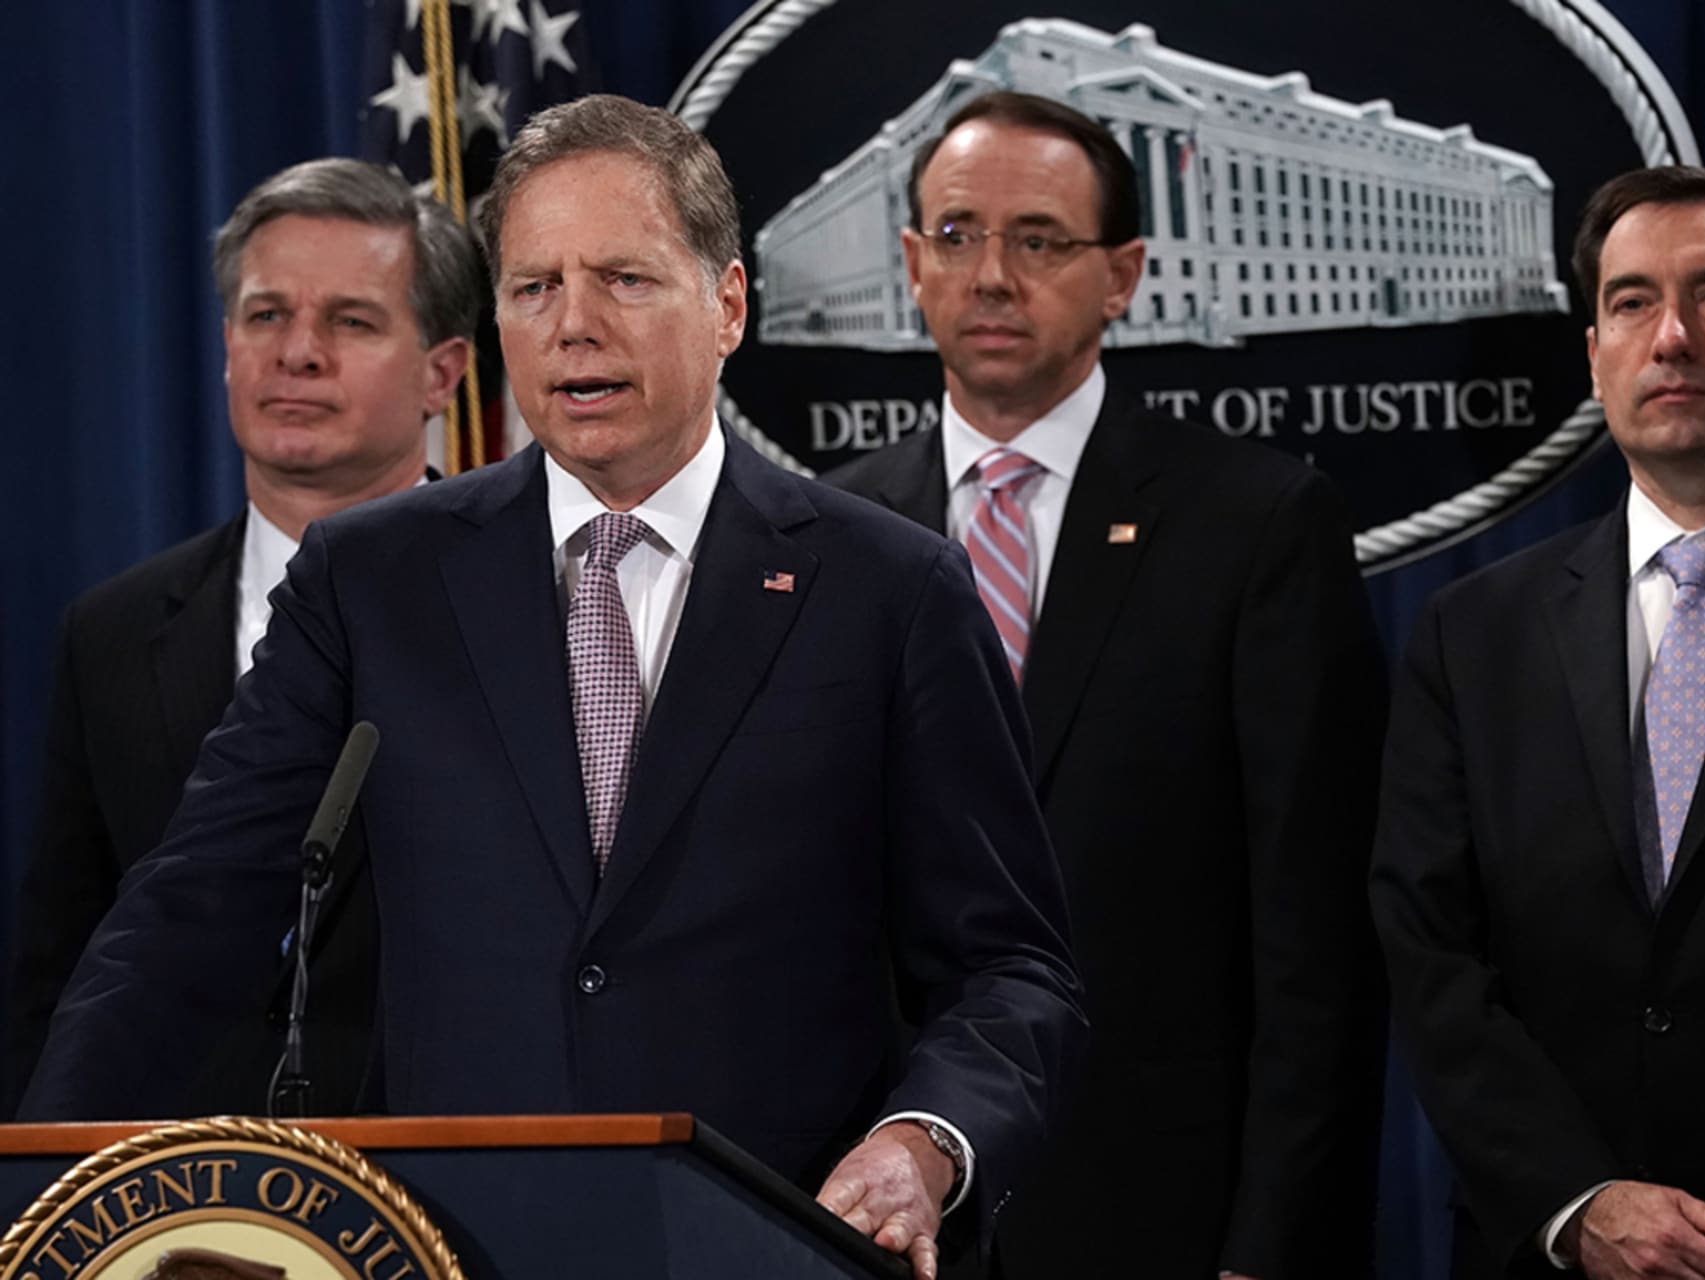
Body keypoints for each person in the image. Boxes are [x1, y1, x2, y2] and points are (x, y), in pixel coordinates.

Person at [19, 96, 1083, 1280]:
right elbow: (191, 907)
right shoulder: (373, 579)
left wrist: (922, 1142)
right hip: (454, 1242)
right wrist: (41, 1197)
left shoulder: (890, 587)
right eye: (533, 288)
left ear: (728, 304)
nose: (574, 327)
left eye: (624, 280)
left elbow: (1011, 967)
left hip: (775, 1243)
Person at [831, 91, 1387, 1280]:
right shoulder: (828, 532)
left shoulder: (1258, 523)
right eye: (958, 234)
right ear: (911, 263)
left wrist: (1270, 1241)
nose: (991, 274)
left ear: (1124, 272)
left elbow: (1315, 937)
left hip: (1162, 1209)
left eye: (1038, 239)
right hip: (872, 1213)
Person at [1371, 165, 1705, 1280]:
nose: (1671, 336)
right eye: (1630, 302)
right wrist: (1579, 1198)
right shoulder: (1471, 632)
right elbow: (1431, 950)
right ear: (1594, 350)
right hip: (1559, 1249)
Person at [5, 157, 480, 1117]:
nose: (298, 353)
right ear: (227, 345)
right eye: (266, 316)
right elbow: (63, 964)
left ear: (444, 373)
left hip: (458, 1180)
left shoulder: (530, 605)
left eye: (350, 321)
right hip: (184, 1200)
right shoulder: (115, 630)